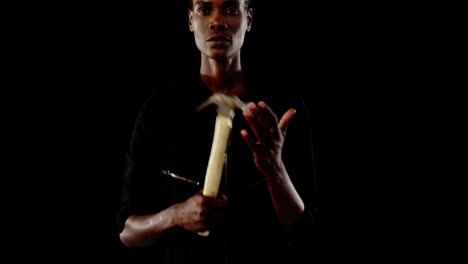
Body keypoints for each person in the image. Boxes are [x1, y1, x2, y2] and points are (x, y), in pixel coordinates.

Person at [117, 0, 319, 262]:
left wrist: (274, 170)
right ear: (191, 20)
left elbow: (306, 231)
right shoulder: (160, 110)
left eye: (232, 10)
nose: (217, 22)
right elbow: (127, 232)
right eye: (204, 10)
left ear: (249, 19)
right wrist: (176, 215)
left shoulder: (281, 107)